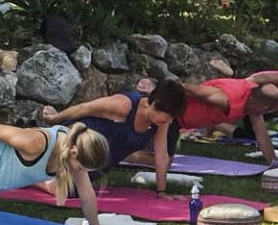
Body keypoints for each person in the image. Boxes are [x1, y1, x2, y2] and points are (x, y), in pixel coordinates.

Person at [43, 79, 186, 199]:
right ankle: (35, 180)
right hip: (76, 144)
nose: (170, 122)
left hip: (95, 163)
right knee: (62, 188)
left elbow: (161, 156)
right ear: (153, 105)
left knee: (73, 191)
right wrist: (55, 119)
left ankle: (40, 178)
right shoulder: (124, 105)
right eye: (168, 117)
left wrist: (161, 192)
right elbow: (84, 108)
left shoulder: (161, 122)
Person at [176, 78, 278, 163]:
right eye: (267, 112)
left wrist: (274, 162)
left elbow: (261, 134)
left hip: (182, 121)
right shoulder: (228, 98)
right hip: (172, 115)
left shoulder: (254, 99)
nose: (263, 115)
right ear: (263, 108)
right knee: (164, 161)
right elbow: (190, 89)